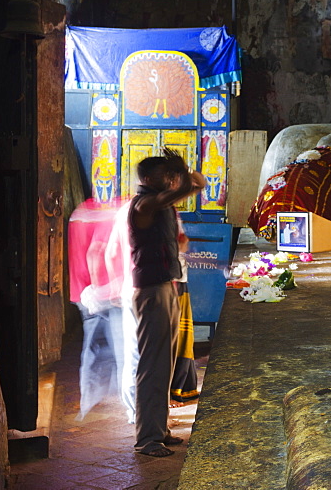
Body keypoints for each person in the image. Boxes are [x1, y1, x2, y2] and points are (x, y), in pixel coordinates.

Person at [129, 148, 204, 457]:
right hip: (152, 292)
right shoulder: (145, 204)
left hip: (165, 287)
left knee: (165, 365)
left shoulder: (162, 206)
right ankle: (147, 439)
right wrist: (183, 174)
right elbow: (190, 185)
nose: (170, 180)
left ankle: (159, 430)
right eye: (164, 175)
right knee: (153, 366)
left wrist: (182, 175)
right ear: (148, 179)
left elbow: (195, 182)